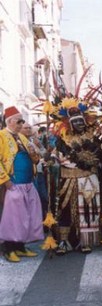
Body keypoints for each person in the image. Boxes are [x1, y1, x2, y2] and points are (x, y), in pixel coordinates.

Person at [51, 98, 102, 254]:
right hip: (69, 180)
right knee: (65, 208)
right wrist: (51, 160)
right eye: (76, 121)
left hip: (88, 179)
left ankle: (85, 240)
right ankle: (64, 241)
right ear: (69, 124)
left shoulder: (92, 138)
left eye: (82, 121)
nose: (80, 124)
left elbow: (98, 157)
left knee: (88, 208)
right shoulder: (62, 140)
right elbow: (56, 157)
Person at [0, 106, 43, 262]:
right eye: (19, 121)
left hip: (28, 183)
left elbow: (35, 156)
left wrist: (35, 154)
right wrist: (6, 181)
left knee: (27, 216)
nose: (21, 124)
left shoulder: (22, 137)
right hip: (13, 184)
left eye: (22, 121)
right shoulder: (1, 136)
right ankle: (9, 249)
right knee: (13, 218)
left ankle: (21, 247)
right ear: (10, 121)